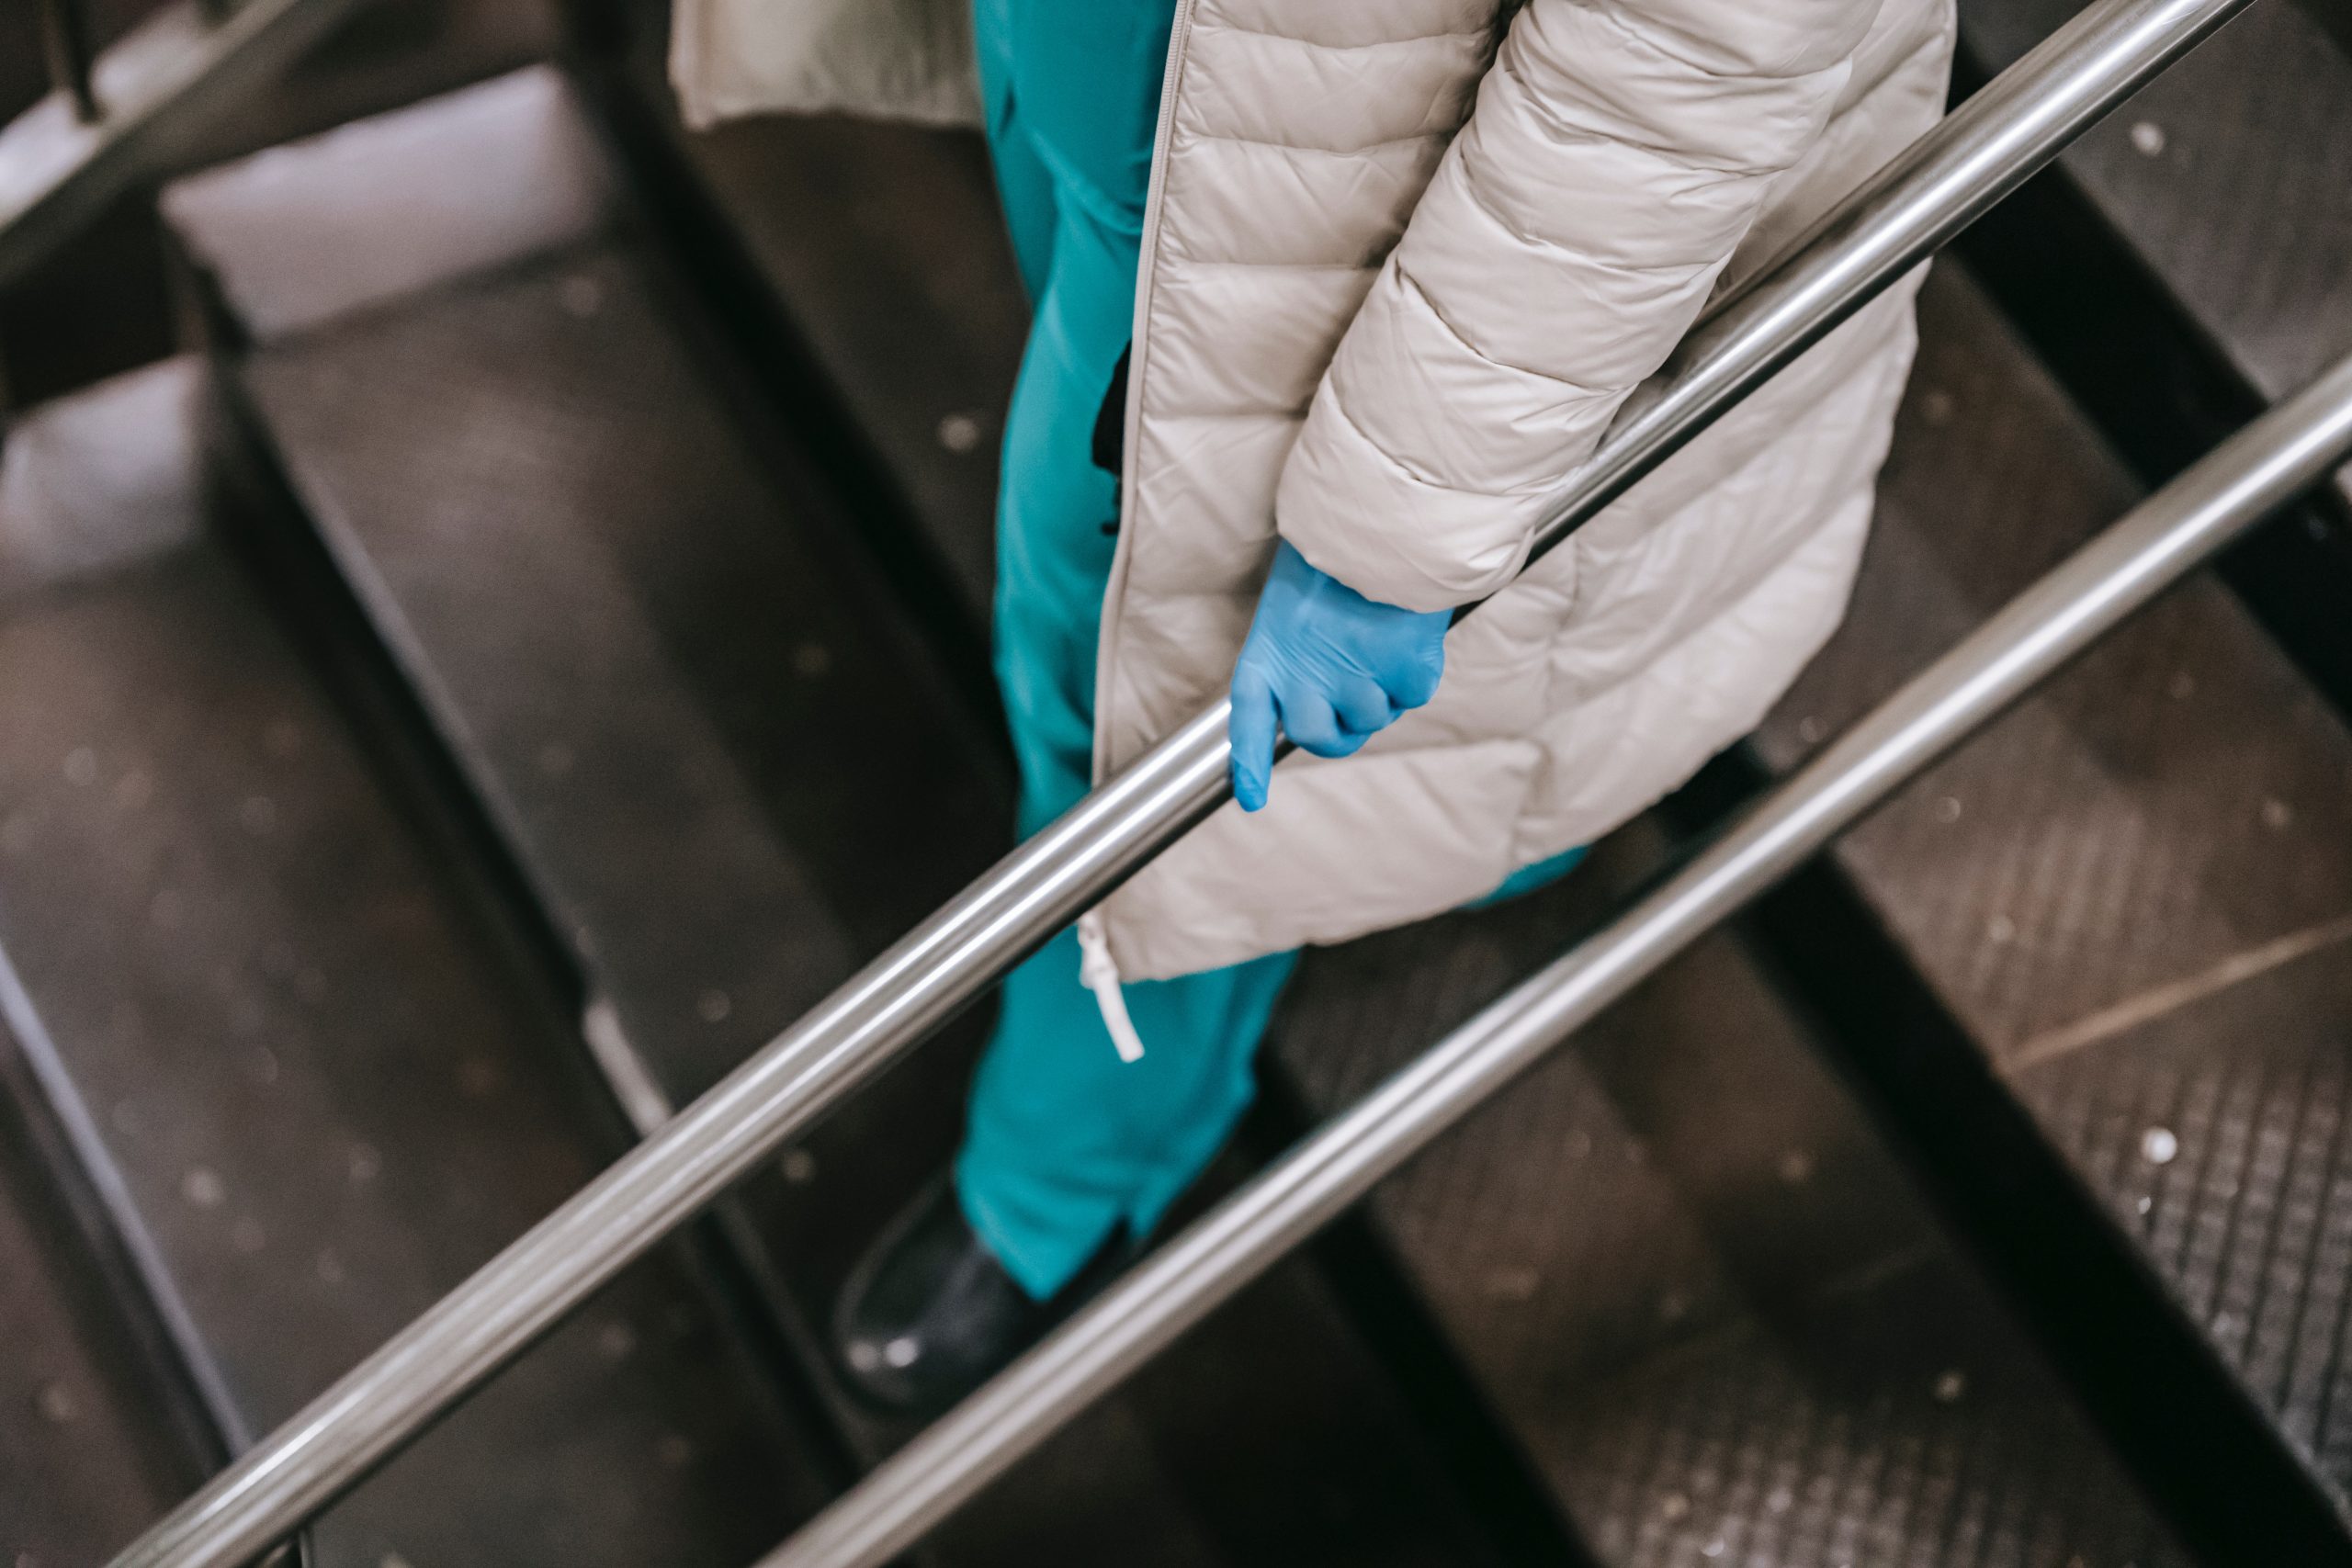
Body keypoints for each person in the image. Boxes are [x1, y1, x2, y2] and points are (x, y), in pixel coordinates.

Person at [671, 0, 1954, 1411]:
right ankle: (1494, 826)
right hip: (1174, 130)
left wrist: (1399, 515)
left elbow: (1684, 52)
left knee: (1127, 714)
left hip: (1345, 210)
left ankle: (1067, 1175)